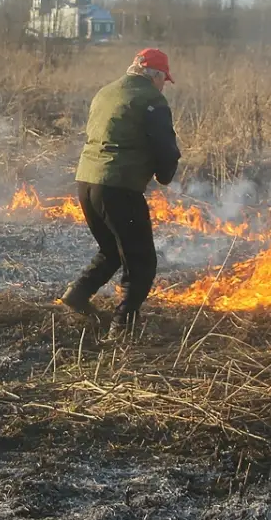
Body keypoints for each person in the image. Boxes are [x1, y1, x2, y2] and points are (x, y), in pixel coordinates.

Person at [59, 48, 181, 342]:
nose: (163, 85)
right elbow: (164, 146)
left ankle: (77, 294)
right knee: (141, 261)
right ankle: (122, 328)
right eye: (163, 79)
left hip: (87, 183)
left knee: (113, 250)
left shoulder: (106, 92)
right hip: (118, 187)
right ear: (154, 75)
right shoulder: (152, 100)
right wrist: (165, 174)